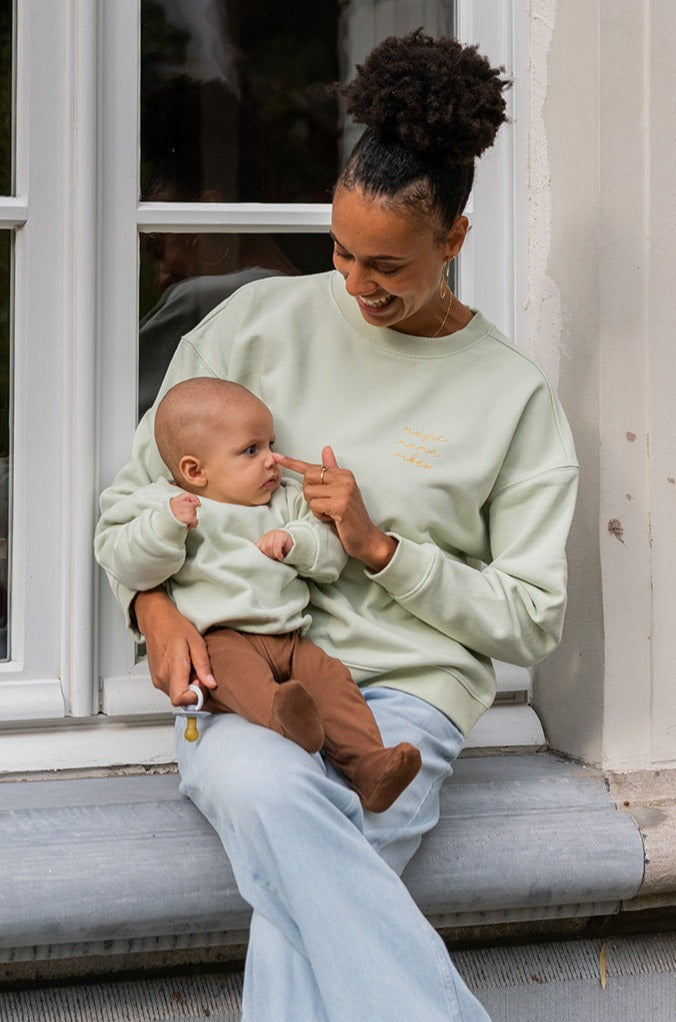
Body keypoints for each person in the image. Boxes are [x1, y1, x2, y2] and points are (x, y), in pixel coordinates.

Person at [96, 30, 578, 1022]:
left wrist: (381, 551)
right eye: (341, 252)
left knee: (302, 905)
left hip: (402, 704)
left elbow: (531, 617)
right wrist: (153, 608)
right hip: (243, 678)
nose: (356, 286)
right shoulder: (248, 326)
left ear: (454, 239)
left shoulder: (511, 395)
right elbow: (134, 499)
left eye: (387, 265)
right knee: (276, 804)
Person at [96, 378, 422, 813]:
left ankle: (369, 765)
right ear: (195, 471)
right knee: (242, 681)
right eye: (252, 450)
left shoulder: (285, 503)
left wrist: (296, 543)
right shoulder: (164, 502)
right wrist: (166, 528)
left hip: (290, 637)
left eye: (271, 444)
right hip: (220, 639)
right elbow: (122, 558)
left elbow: (330, 556)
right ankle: (284, 719)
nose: (272, 460)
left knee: (332, 681)